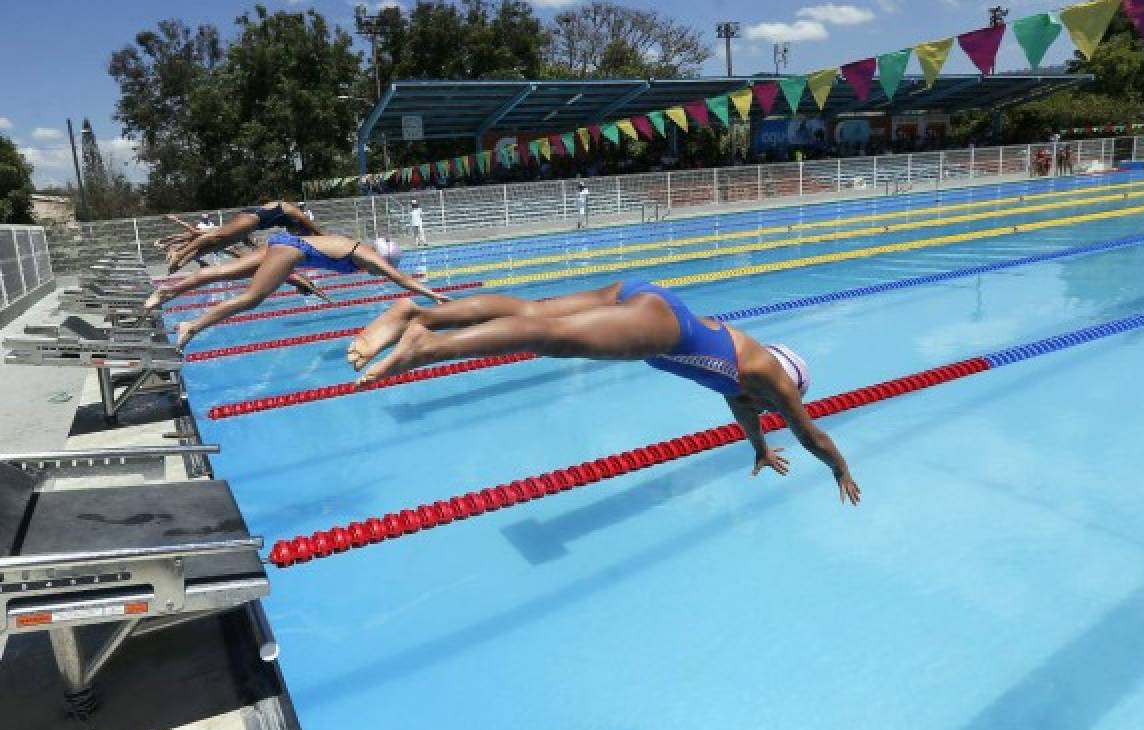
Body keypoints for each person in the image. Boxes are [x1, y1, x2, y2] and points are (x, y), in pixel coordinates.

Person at [346, 280, 861, 504]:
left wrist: (760, 450)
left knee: (534, 312)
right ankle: (426, 344)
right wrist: (840, 468)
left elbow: (750, 420)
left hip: (646, 296)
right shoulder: (768, 375)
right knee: (550, 338)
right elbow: (809, 431)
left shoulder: (743, 388)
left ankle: (416, 313)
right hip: (664, 328)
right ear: (790, 383)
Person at [145, 233, 451, 348]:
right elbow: (399, 280)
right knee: (252, 298)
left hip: (285, 245)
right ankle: (192, 325)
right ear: (383, 257)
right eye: (382, 265)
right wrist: (432, 295)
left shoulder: (357, 247)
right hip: (290, 251)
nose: (375, 271)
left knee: (222, 272)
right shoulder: (369, 256)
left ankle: (166, 293)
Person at [160, 201, 322, 273]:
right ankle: (179, 254)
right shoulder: (295, 213)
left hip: (251, 225)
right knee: (214, 235)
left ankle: (181, 262)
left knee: (218, 245)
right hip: (252, 219)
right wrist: (322, 238)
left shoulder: (290, 219)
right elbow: (318, 232)